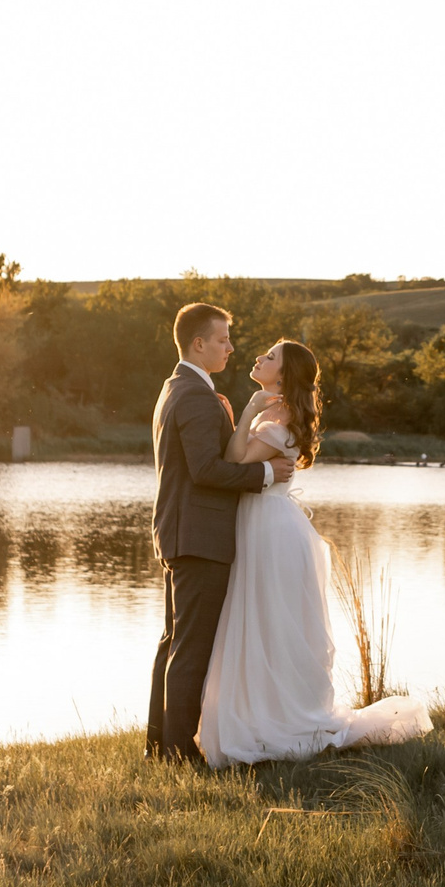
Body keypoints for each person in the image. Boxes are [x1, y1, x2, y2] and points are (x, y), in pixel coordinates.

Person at [198, 337, 432, 766]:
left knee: (272, 624)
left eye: (270, 357)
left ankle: (283, 721)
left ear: (284, 376)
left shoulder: (277, 414)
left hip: (270, 530)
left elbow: (234, 461)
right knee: (266, 623)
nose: (258, 358)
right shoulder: (279, 411)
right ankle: (262, 715)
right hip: (266, 524)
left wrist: (248, 410)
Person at [146, 302, 281, 761]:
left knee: (174, 643)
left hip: (181, 532)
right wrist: (264, 474)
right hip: (198, 537)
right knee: (190, 648)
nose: (231, 347)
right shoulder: (196, 395)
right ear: (198, 343)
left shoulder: (176, 388)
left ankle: (160, 747)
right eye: (222, 339)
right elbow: (205, 469)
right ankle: (179, 753)